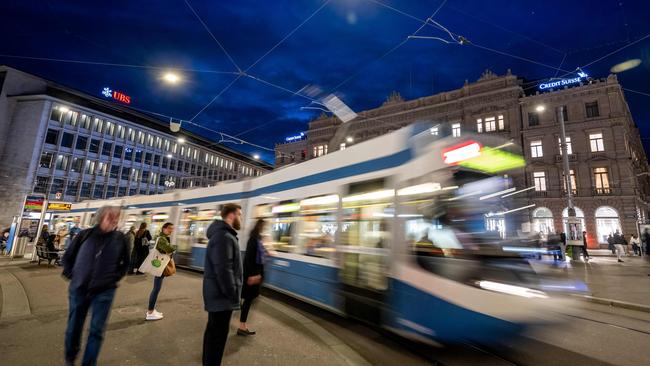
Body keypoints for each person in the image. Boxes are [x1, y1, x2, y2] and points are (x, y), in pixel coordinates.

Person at [62, 206, 130, 366]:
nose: (113, 220)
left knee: (96, 331)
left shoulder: (120, 238)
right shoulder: (84, 235)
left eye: (116, 217)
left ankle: (89, 363)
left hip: (104, 292)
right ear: (100, 218)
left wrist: (113, 279)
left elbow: (125, 263)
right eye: (110, 217)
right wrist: (74, 276)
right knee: (74, 328)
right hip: (79, 289)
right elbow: (68, 257)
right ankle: (70, 358)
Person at [202, 203, 243, 366]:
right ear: (231, 215)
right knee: (217, 338)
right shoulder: (224, 237)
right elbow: (224, 270)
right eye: (239, 214)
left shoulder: (222, 235)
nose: (240, 218)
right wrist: (233, 294)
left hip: (218, 295)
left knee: (213, 334)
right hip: (221, 297)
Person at [239, 219, 266, 336]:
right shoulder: (254, 240)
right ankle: (242, 326)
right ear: (259, 227)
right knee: (247, 300)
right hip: (252, 276)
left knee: (248, 300)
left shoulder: (257, 239)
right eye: (263, 226)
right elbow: (249, 259)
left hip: (255, 275)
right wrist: (251, 275)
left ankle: (242, 325)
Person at [146, 222, 175, 321]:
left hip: (160, 265)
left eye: (172, 228)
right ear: (164, 228)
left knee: (156, 288)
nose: (171, 230)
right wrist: (174, 248)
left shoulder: (163, 237)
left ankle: (152, 310)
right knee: (156, 289)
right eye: (169, 228)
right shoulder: (162, 238)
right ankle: (150, 312)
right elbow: (169, 249)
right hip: (160, 266)